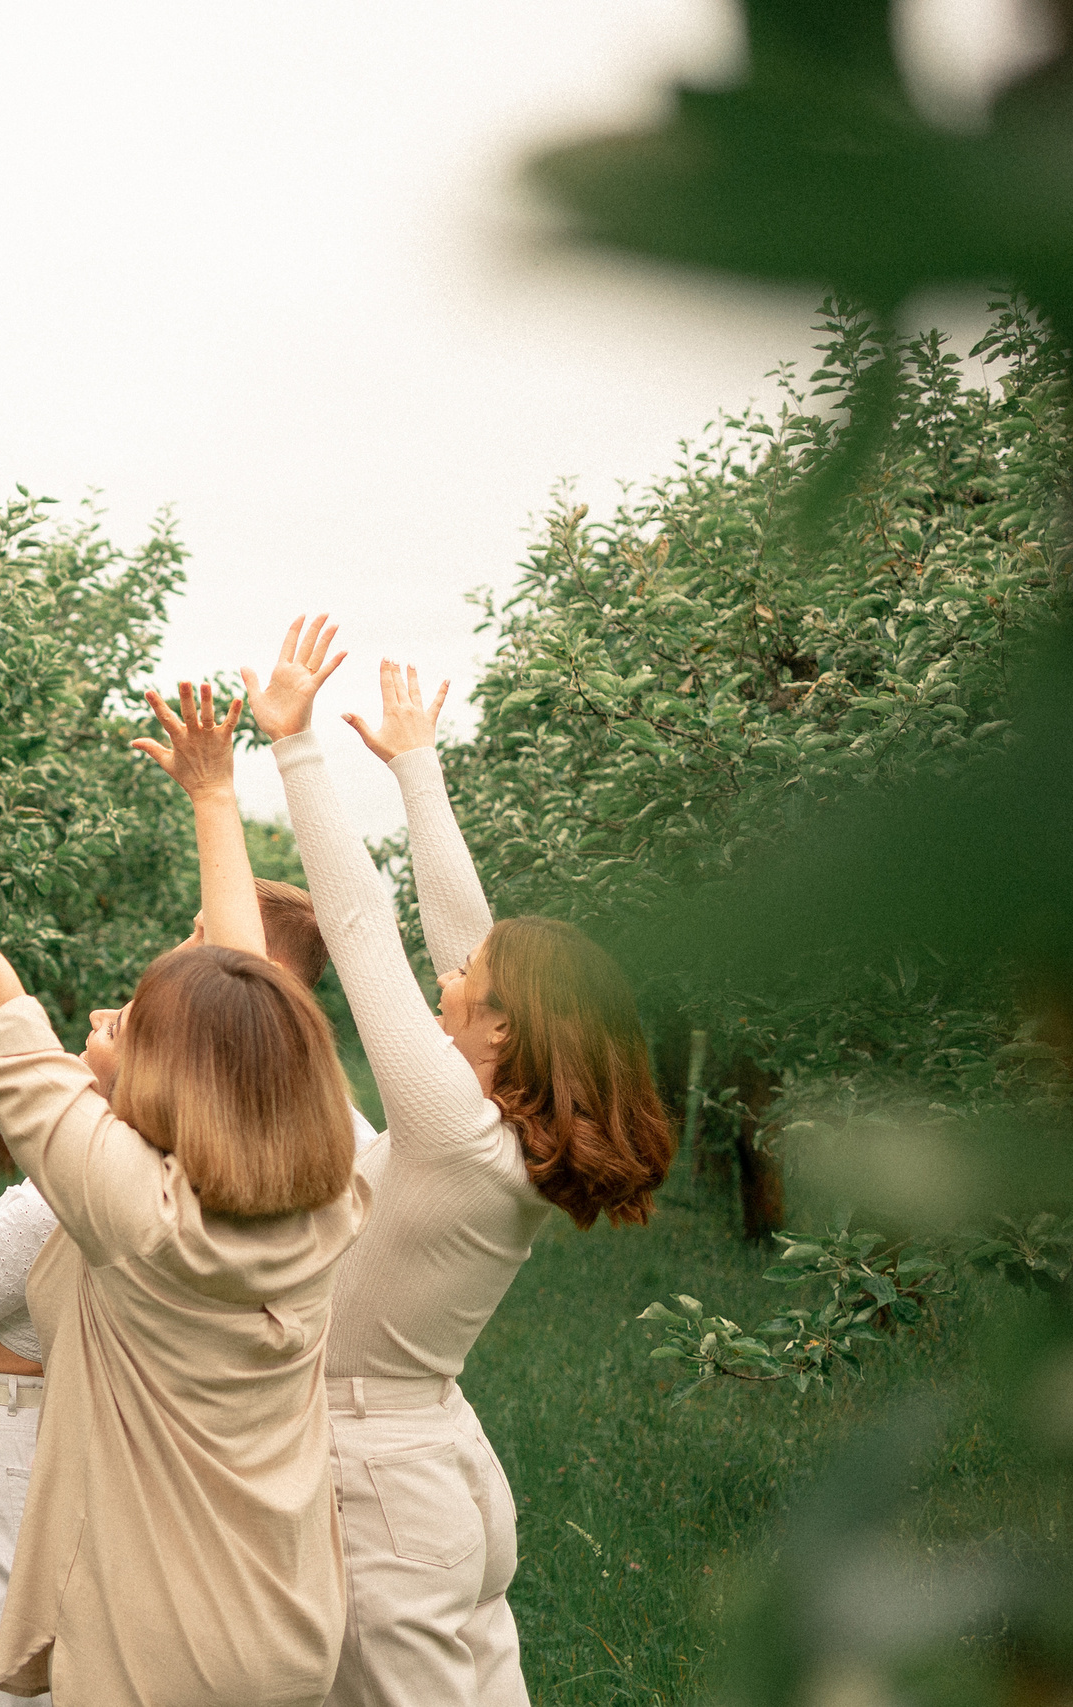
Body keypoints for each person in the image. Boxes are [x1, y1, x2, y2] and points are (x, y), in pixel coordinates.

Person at [0, 692, 368, 1706]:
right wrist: (214, 799)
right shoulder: (330, 1198)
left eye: (135, 1016)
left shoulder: (133, 1214)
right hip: (297, 1628)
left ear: (171, 1079)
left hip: (161, 1651)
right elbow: (250, 1014)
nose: (110, 1017)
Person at [249, 617, 672, 1707]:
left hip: (380, 1478)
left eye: (468, 982)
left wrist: (296, 747)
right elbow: (459, 940)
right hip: (436, 1464)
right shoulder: (499, 1138)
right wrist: (415, 769)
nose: (449, 979)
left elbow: (355, 925)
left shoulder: (453, 1130)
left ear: (501, 1027)